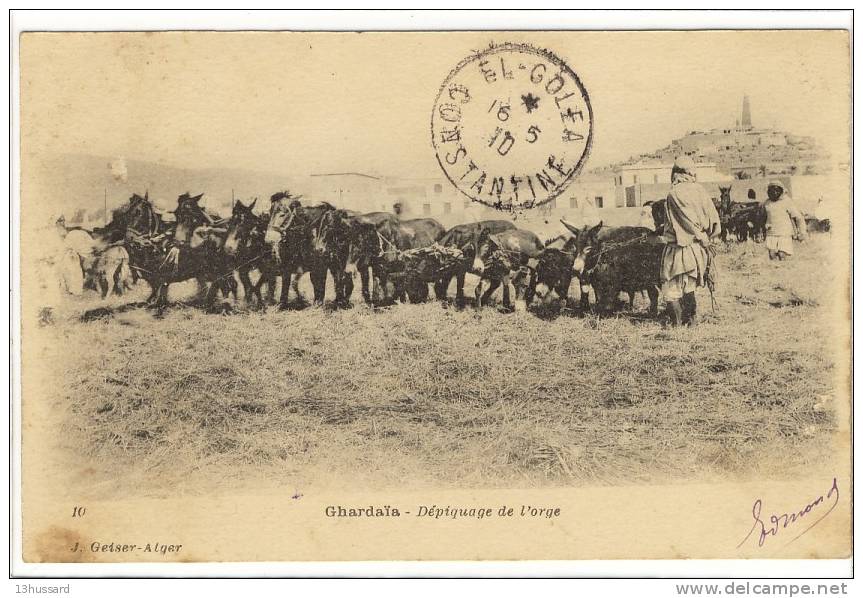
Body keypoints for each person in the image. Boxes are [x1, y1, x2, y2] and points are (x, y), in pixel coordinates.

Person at [660, 157, 722, 327]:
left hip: (679, 249)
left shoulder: (674, 194)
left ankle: (677, 325)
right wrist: (707, 237)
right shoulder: (700, 190)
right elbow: (713, 219)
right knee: (689, 287)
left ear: (675, 174)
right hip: (698, 250)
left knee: (671, 290)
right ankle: (692, 322)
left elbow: (686, 222)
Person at [763, 180, 807, 260]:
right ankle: (775, 271)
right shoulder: (767, 203)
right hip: (771, 232)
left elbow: (798, 217)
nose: (775, 192)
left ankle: (783, 270)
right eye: (772, 190)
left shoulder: (787, 201)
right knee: (772, 255)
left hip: (784, 232)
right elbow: (763, 216)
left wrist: (802, 232)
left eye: (777, 190)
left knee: (781, 254)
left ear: (781, 191)